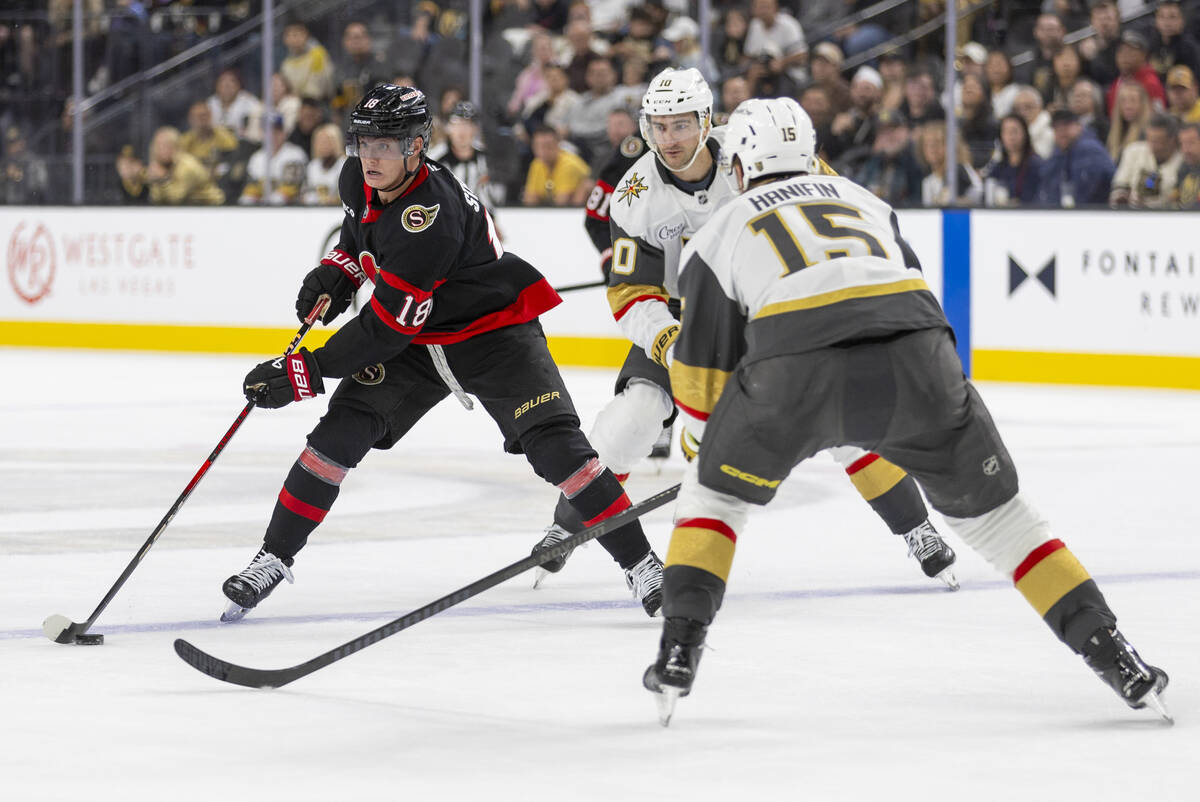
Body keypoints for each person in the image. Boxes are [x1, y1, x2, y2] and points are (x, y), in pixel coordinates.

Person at [642, 96, 1170, 727]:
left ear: (740, 166)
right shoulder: (867, 200)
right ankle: (1116, 655)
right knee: (1006, 525)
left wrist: (709, 457)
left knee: (715, 504)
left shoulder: (720, 230)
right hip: (919, 358)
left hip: (793, 371)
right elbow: (910, 295)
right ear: (810, 153)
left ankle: (679, 652)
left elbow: (702, 379)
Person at [221, 84, 664, 621]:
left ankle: (643, 565)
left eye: (387, 144)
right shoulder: (358, 177)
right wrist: (337, 271)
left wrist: (303, 371)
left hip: (492, 335)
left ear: (416, 147)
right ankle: (272, 557)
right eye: (364, 143)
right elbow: (358, 238)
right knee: (336, 437)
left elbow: (383, 329)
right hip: (418, 340)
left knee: (558, 450)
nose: (372, 156)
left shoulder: (429, 214)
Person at [531, 68, 958, 593]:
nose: (668, 139)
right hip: (685, 321)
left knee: (845, 420)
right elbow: (630, 293)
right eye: (658, 127)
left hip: (772, 316)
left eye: (681, 125)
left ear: (707, 120)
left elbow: (832, 208)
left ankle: (918, 529)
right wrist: (668, 341)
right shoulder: (633, 194)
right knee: (631, 422)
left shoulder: (757, 151)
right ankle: (568, 524)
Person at [1037, 108, 1116, 207]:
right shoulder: (1060, 151)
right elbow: (1046, 184)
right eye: (1056, 128)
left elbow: (1085, 193)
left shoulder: (1089, 148)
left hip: (1096, 214)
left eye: (1066, 126)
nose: (1061, 132)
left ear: (1079, 127)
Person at [428, 101, 501, 208]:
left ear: (475, 128)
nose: (461, 131)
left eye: (467, 124)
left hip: (477, 218)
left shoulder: (485, 159)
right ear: (448, 127)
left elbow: (492, 198)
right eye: (457, 124)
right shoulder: (434, 159)